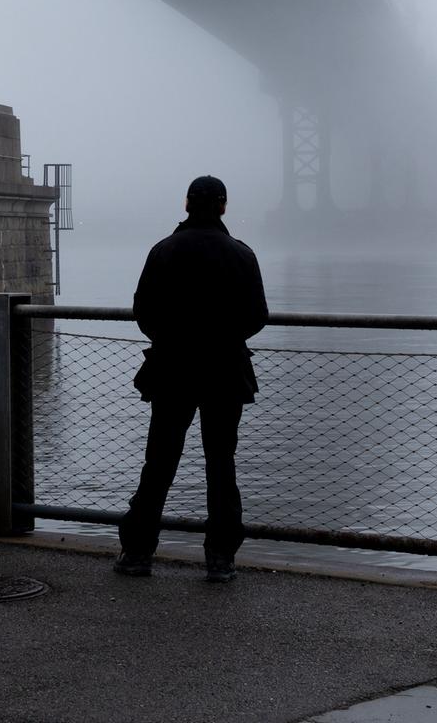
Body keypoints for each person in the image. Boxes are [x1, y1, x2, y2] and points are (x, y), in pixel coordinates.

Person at [114, 175, 268, 583]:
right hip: (224, 372)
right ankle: (220, 559)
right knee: (221, 464)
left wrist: (172, 340)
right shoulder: (242, 255)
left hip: (172, 370)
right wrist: (223, 338)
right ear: (223, 207)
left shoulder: (163, 251)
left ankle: (137, 553)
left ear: (186, 204)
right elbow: (257, 316)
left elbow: (143, 311)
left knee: (160, 461)